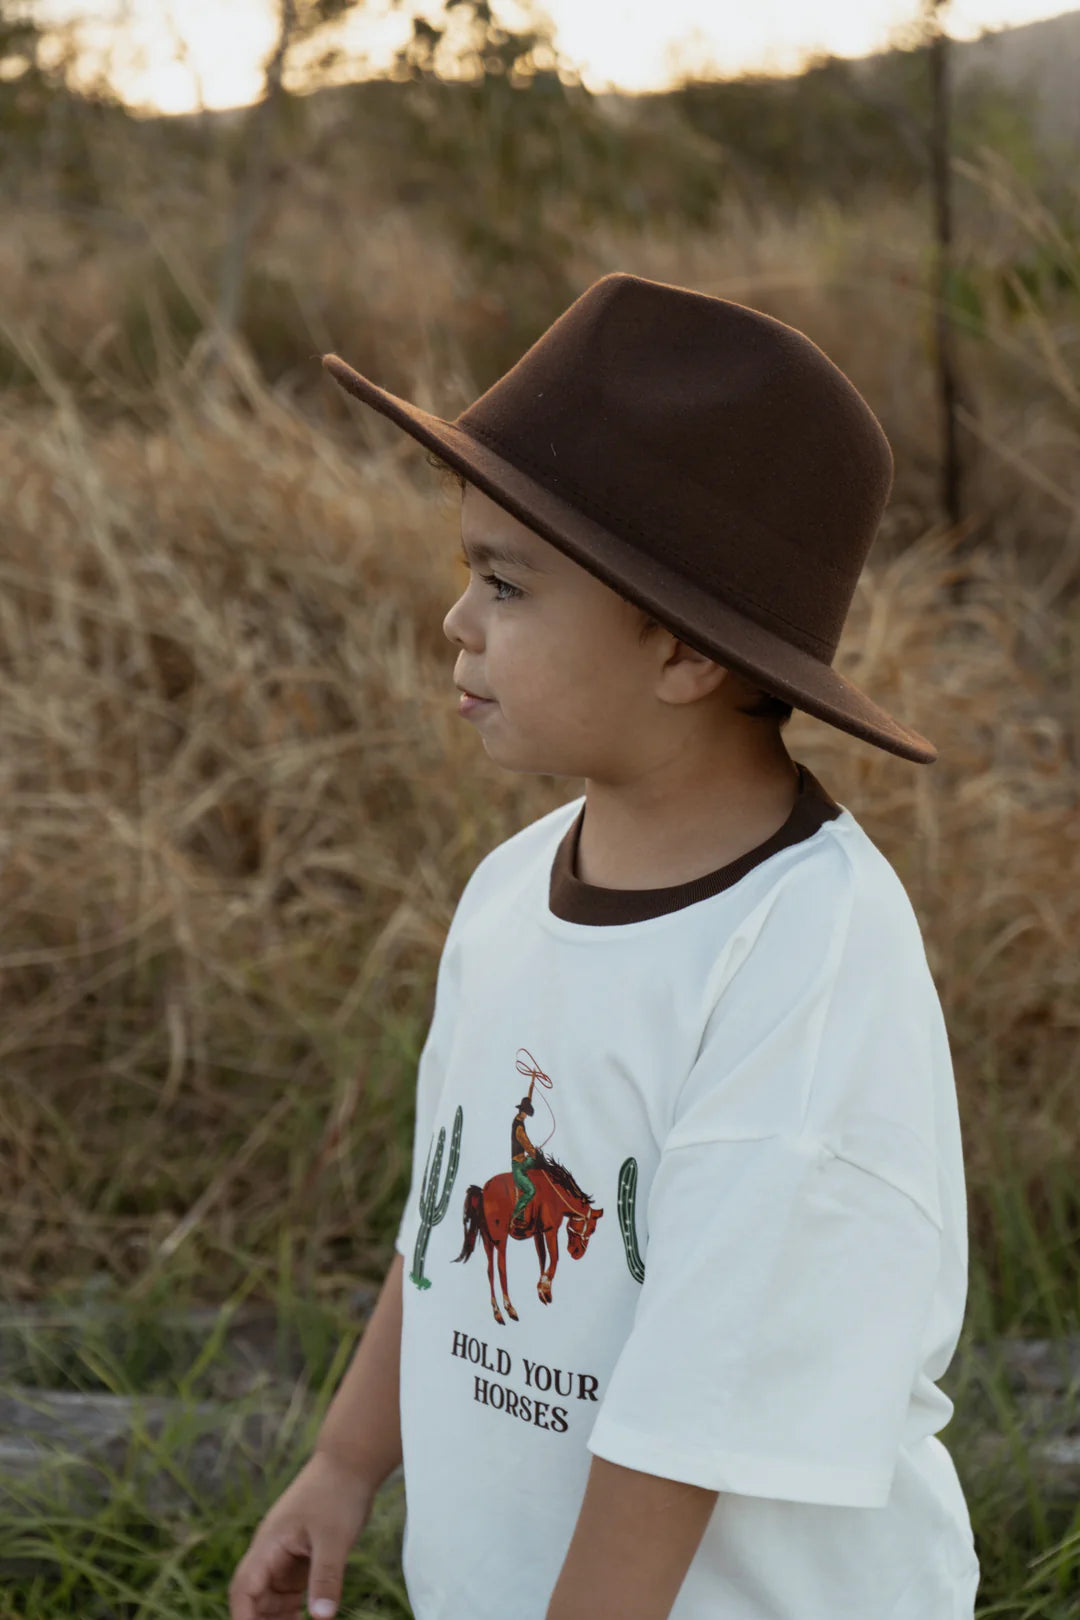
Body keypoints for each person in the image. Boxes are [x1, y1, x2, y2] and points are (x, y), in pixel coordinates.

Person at [228, 272, 979, 1620]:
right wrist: (347, 1461)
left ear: (686, 651)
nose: (458, 622)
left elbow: (686, 1431)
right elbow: (450, 1218)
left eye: (505, 584)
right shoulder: (515, 890)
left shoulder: (801, 967)